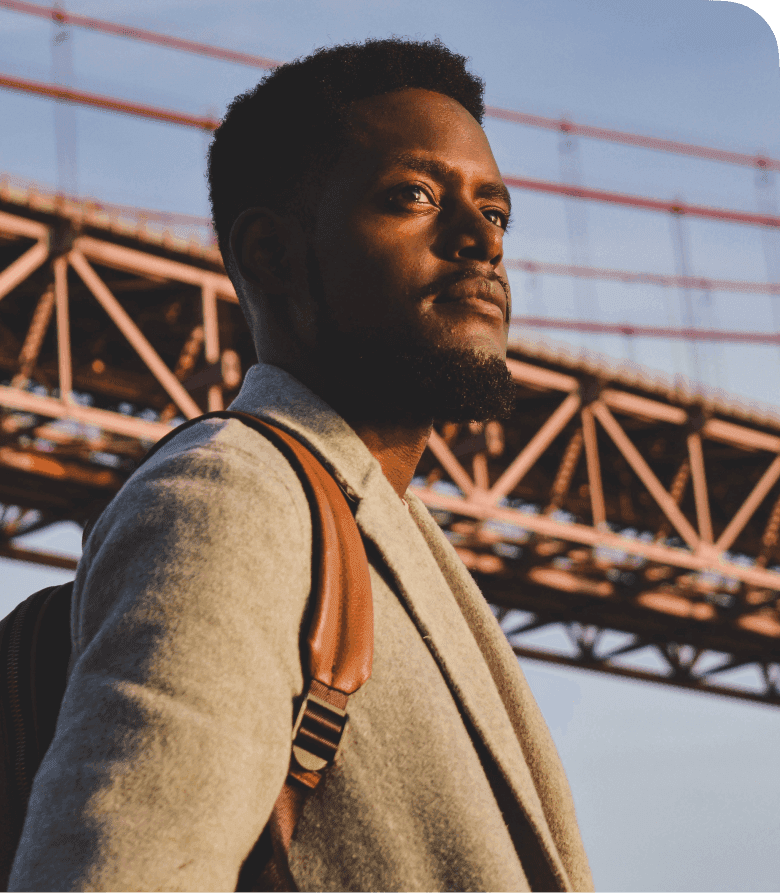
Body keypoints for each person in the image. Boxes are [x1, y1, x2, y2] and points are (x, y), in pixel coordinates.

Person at [9, 37, 594, 892]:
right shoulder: (231, 496)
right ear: (272, 257)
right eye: (416, 195)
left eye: (496, 211)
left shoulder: (386, 533)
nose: (481, 240)